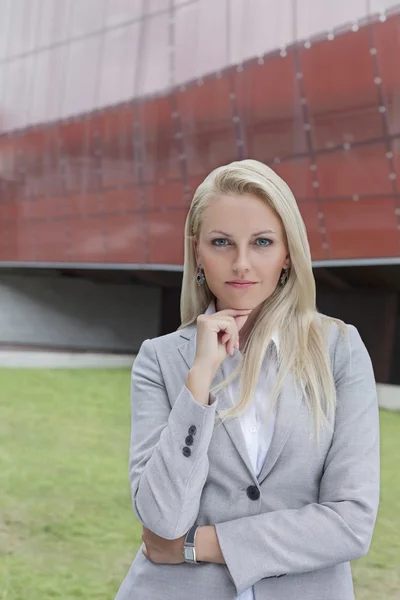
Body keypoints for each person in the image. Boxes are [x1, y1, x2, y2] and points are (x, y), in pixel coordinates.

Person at [114, 159, 380, 600]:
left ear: (288, 252)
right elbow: (162, 519)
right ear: (198, 251)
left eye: (261, 242)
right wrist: (200, 377)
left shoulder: (339, 349)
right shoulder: (160, 359)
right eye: (221, 242)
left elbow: (351, 523)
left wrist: (199, 546)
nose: (241, 264)